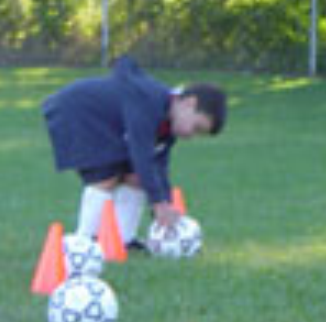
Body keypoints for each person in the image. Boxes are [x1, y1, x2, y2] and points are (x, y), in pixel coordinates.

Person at [41, 55, 227, 247]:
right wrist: (157, 203)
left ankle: (123, 241)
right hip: (76, 112)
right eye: (196, 127)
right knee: (105, 175)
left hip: (105, 126)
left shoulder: (168, 125)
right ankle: (84, 241)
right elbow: (141, 154)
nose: (191, 135)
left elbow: (158, 166)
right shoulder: (150, 102)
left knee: (136, 177)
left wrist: (165, 202)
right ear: (189, 103)